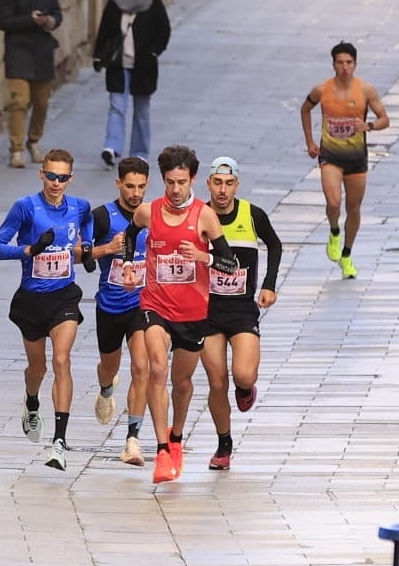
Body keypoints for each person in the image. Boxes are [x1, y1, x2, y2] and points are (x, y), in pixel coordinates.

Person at [120, 144, 240, 484]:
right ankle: (161, 451)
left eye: (182, 182)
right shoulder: (148, 212)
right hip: (155, 305)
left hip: (193, 313)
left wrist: (203, 257)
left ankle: (176, 437)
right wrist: (129, 265)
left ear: (193, 180)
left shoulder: (204, 216)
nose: (175, 189)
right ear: (163, 180)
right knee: (157, 368)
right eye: (170, 182)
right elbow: (129, 236)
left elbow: (230, 263)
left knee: (182, 382)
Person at [0, 149, 91, 470]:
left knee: (61, 360)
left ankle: (59, 442)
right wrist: (30, 250)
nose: (56, 183)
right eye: (50, 176)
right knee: (38, 369)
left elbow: (88, 222)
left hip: (64, 297)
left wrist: (87, 246)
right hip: (32, 300)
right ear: (41, 174)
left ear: (70, 178)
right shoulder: (25, 207)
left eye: (62, 177)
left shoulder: (79, 206)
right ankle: (32, 400)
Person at [199, 157, 282, 471]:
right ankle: (224, 444)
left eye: (229, 184)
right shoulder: (198, 215)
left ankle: (246, 389)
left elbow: (275, 245)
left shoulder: (252, 214)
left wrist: (269, 285)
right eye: (217, 183)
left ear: (237, 185)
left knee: (243, 375)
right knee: (216, 381)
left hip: (242, 310)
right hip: (207, 311)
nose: (222, 190)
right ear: (208, 184)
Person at [82, 157, 153, 465]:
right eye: (130, 186)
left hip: (142, 304)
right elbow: (79, 255)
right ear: (118, 184)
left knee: (141, 367)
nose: (135, 193)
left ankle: (132, 440)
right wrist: (108, 249)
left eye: (141, 187)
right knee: (109, 366)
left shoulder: (152, 215)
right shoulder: (101, 216)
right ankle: (106, 387)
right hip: (110, 306)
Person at [301, 41, 390, 280]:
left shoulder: (366, 90)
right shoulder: (322, 90)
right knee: (333, 202)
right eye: (340, 62)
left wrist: (369, 126)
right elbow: (305, 109)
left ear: (355, 64)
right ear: (333, 64)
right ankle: (334, 231)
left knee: (353, 208)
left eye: (349, 62)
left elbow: (384, 119)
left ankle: (347, 254)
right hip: (330, 155)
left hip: (356, 158)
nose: (344, 67)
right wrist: (310, 142)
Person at [92, 0, 173, 168]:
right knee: (117, 106)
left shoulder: (153, 1)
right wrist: (98, 55)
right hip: (118, 64)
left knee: (142, 111)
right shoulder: (115, 0)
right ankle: (112, 148)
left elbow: (164, 29)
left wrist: (154, 52)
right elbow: (105, 30)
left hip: (143, 66)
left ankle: (139, 152)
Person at [0, 0, 64, 168]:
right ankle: (16, 149)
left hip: (42, 50)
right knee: (20, 100)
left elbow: (57, 13)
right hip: (18, 51)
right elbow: (4, 21)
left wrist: (50, 21)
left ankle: (33, 140)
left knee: (42, 101)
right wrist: (29, 19)